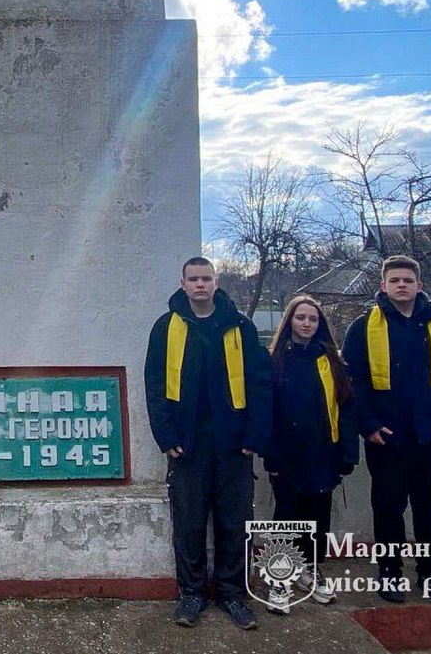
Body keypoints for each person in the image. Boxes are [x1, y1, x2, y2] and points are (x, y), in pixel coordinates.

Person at [144, 256, 272, 631]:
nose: (200, 284)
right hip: (187, 446)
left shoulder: (240, 327)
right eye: (193, 279)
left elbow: (261, 383)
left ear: (216, 283)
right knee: (189, 523)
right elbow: (154, 385)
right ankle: (192, 594)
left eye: (206, 278)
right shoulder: (166, 328)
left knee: (235, 523)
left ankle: (233, 594)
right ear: (182, 283)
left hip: (234, 446)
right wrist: (165, 436)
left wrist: (255, 435)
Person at [342, 255, 431, 606]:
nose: (401, 285)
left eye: (407, 280)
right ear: (383, 285)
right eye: (394, 280)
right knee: (387, 508)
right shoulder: (363, 327)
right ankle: (389, 573)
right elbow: (353, 382)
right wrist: (368, 425)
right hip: (387, 438)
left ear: (419, 285)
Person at [262, 296, 358, 614]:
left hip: (323, 453)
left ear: (320, 325)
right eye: (300, 317)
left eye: (312, 319)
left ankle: (311, 571)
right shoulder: (274, 360)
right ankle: (280, 578)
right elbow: (267, 412)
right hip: (287, 456)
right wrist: (270, 454)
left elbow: (346, 409)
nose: (306, 323)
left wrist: (346, 454)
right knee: (287, 518)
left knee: (318, 519)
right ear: (289, 321)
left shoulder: (331, 361)